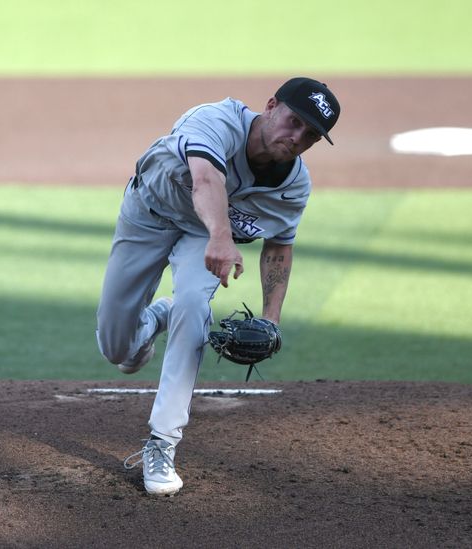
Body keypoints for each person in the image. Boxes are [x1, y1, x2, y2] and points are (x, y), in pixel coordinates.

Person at [96, 77, 341, 496]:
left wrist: (271, 320)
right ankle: (158, 315)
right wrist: (221, 237)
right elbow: (206, 179)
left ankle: (162, 443)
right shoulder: (216, 120)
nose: (297, 137)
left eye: (311, 135)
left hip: (204, 238)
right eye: (294, 121)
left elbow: (279, 247)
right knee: (118, 350)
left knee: (193, 304)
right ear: (270, 106)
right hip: (150, 213)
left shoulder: (294, 185)